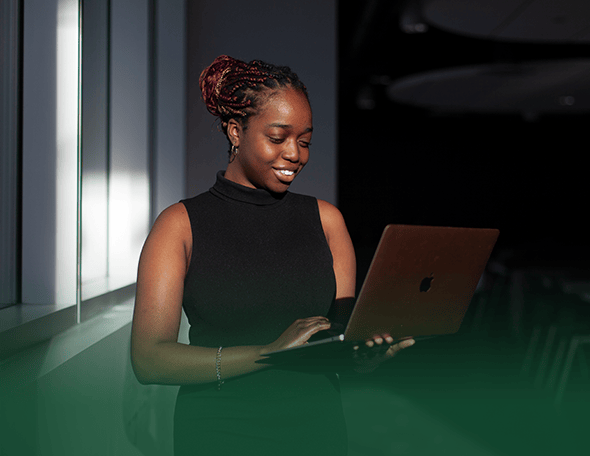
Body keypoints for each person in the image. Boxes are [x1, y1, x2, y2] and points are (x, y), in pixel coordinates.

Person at [130, 55, 415, 456]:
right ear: (235, 131)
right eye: (278, 137)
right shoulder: (179, 225)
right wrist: (267, 354)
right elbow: (149, 360)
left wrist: (364, 357)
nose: (295, 154)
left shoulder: (327, 221)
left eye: (305, 141)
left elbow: (334, 346)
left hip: (318, 431)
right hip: (218, 434)